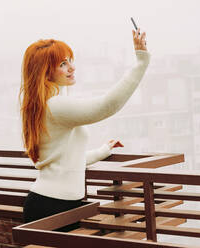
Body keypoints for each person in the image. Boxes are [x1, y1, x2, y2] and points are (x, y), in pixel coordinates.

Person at [20, 28, 149, 231]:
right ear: (45, 72)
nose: (72, 67)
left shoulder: (44, 105)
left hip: (56, 204)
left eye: (70, 60)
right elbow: (106, 106)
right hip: (53, 207)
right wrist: (141, 63)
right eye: (63, 64)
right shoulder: (55, 106)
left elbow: (64, 158)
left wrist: (101, 152)